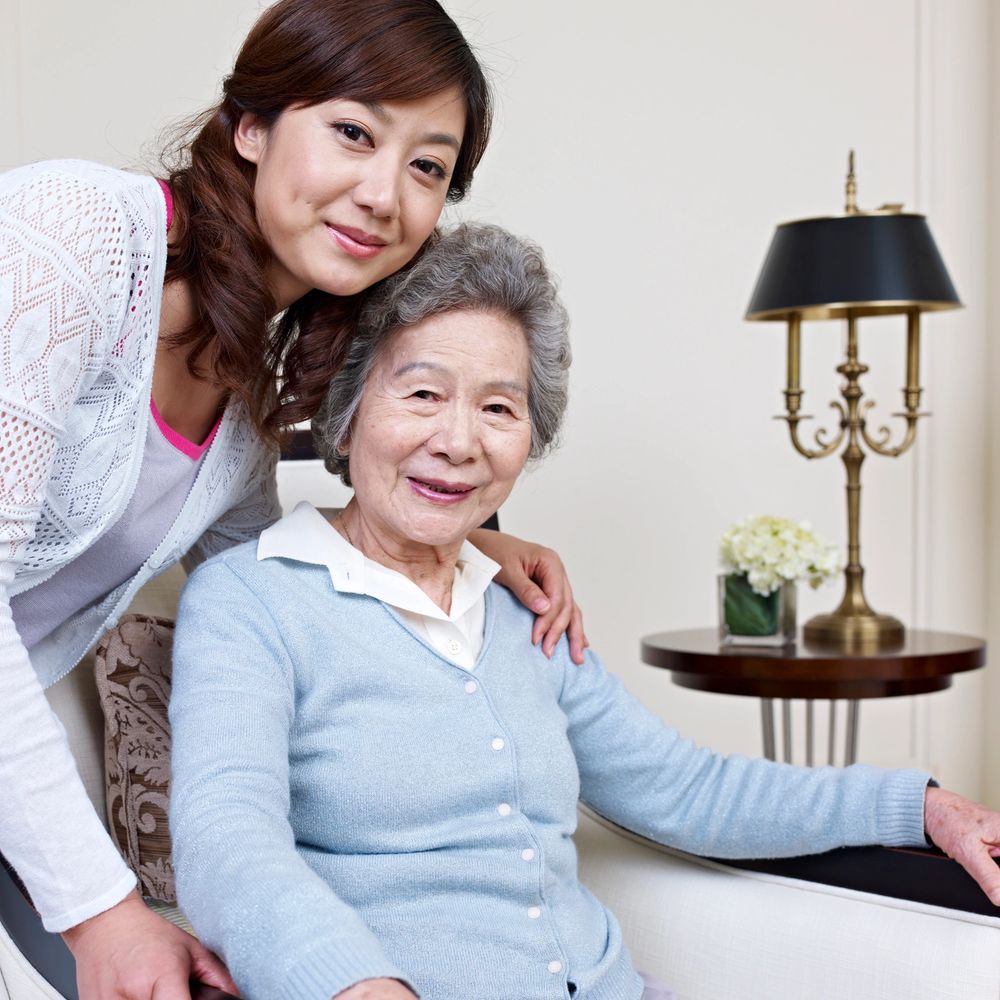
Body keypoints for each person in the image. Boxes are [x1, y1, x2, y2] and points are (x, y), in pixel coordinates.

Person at [168, 223, 1000, 1000]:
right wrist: (354, 985)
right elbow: (227, 840)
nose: (459, 441)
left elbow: (685, 790)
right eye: (422, 393)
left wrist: (922, 807)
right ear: (345, 416)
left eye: (499, 408)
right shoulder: (253, 599)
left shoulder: (521, 607)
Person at [0, 4, 587, 998]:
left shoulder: (241, 413)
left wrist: (459, 544)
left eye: (427, 167)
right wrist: (103, 912)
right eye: (353, 132)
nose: (383, 195)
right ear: (252, 126)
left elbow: (283, 583)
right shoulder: (73, 235)